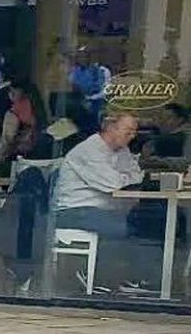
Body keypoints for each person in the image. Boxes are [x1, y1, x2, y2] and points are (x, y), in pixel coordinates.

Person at [55, 113, 160, 292]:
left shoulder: (122, 150)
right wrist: (127, 178)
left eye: (134, 132)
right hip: (74, 209)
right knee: (124, 226)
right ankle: (98, 278)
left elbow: (137, 175)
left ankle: (140, 279)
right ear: (111, 128)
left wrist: (127, 178)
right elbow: (113, 184)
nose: (133, 136)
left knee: (153, 220)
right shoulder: (89, 150)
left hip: (105, 209)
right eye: (128, 131)